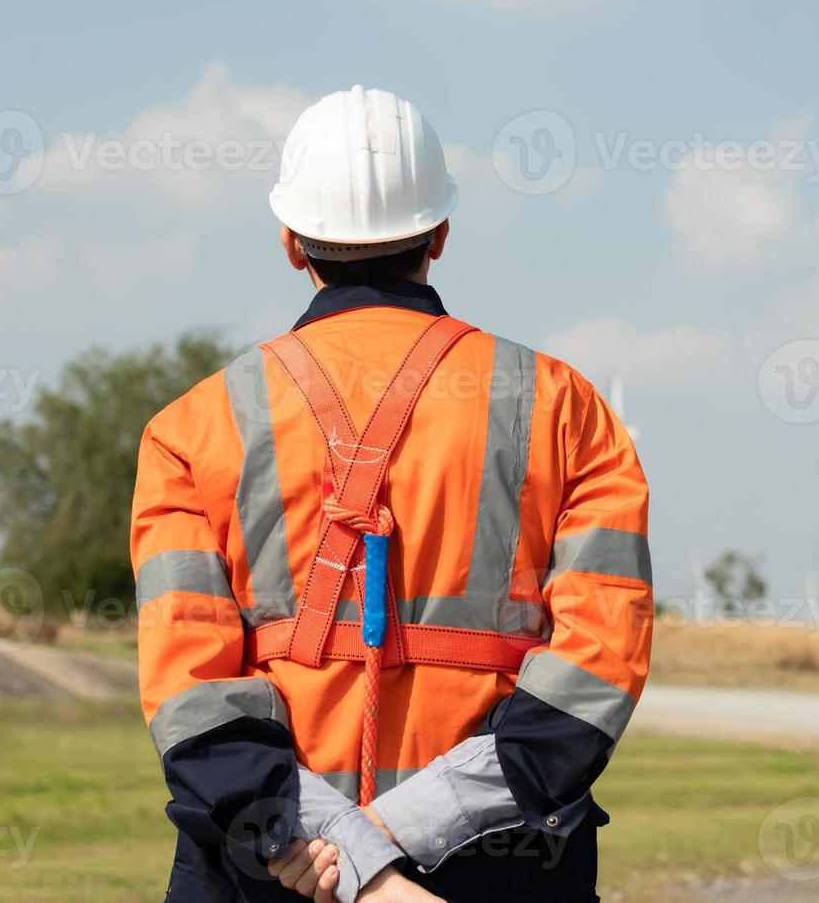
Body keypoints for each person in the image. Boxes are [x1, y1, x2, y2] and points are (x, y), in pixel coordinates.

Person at [131, 86, 653, 902]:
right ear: (439, 235)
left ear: (290, 242)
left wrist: (339, 848)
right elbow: (596, 667)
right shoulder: (563, 407)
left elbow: (190, 698)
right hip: (504, 866)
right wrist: (402, 830)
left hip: (272, 867)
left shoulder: (190, 429)